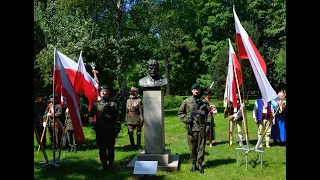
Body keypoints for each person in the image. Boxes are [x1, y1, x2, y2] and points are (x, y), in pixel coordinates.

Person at [178, 83, 210, 174]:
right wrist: (186, 120)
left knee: (201, 147)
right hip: (192, 128)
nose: (196, 91)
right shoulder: (187, 101)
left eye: (198, 89)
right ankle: (193, 164)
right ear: (192, 91)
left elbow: (208, 114)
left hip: (202, 127)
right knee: (192, 147)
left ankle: (200, 164)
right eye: (194, 89)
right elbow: (180, 112)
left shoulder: (204, 101)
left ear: (200, 90)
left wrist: (208, 125)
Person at [88, 85, 121, 172]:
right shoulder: (96, 104)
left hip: (109, 129)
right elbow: (90, 116)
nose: (103, 92)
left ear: (108, 92)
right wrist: (93, 123)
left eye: (105, 90)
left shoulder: (112, 104)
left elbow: (117, 118)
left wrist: (116, 130)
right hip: (100, 130)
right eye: (101, 91)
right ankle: (104, 165)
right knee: (101, 148)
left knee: (110, 148)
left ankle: (111, 164)